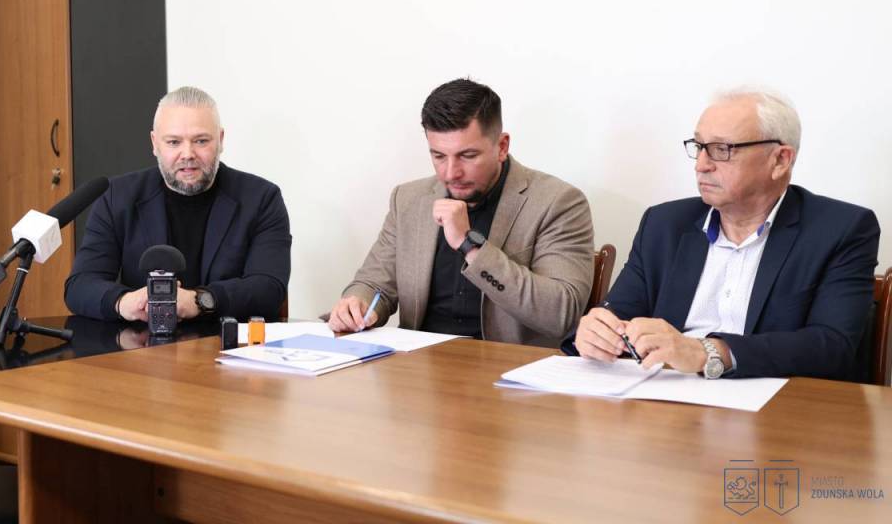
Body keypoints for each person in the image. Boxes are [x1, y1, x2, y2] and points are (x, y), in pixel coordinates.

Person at [563, 89, 879, 380]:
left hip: (778, 408)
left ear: (780, 160)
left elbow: (833, 346)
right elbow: (619, 313)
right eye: (699, 147)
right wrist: (597, 331)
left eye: (721, 149)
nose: (701, 165)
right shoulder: (664, 224)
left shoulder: (841, 229)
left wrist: (708, 352)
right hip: (664, 400)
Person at [327, 78, 594, 346]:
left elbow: (562, 314)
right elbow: (373, 284)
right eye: (439, 156)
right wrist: (357, 304)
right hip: (418, 363)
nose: (450, 173)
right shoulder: (408, 200)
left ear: (502, 147)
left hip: (507, 363)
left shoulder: (558, 202)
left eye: (467, 156)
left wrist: (470, 246)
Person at [65, 87, 291, 322]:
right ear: (155, 143)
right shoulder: (116, 197)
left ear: (220, 140)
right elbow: (80, 285)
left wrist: (200, 300)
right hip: (143, 340)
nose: (187, 154)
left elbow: (268, 288)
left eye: (201, 141)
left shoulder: (262, 199)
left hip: (226, 339)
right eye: (174, 142)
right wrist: (123, 302)